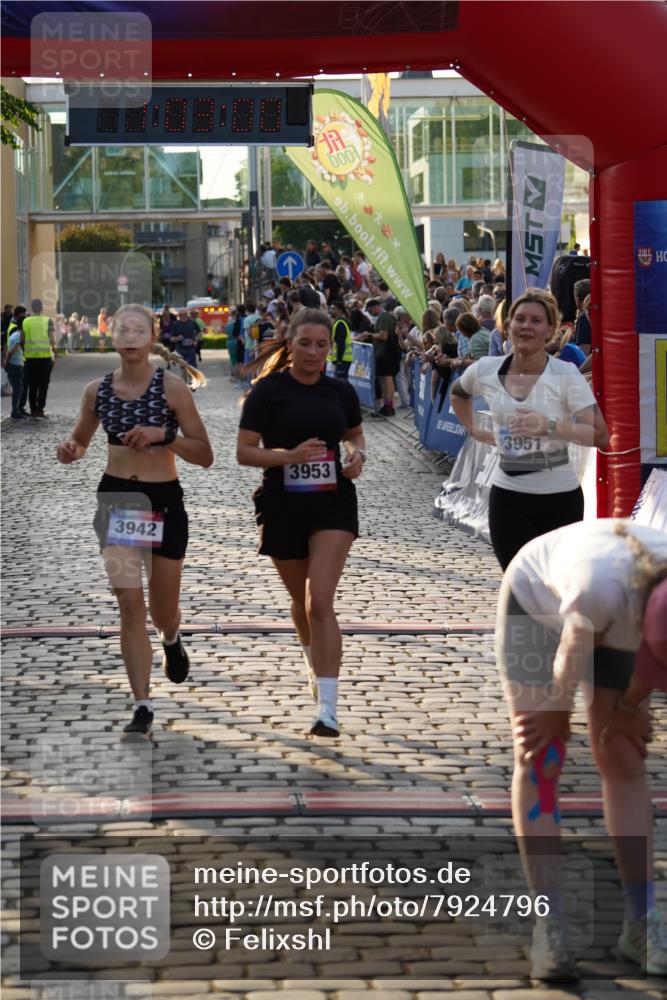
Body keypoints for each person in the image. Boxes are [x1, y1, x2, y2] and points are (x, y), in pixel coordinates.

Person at [497, 520, 667, 979]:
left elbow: (655, 659)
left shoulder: (653, 612)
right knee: (540, 760)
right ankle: (548, 924)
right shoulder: (600, 594)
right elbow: (573, 649)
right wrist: (555, 712)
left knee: (623, 756)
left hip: (622, 615)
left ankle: (641, 921)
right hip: (536, 605)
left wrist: (632, 704)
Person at [55, 304, 213, 739]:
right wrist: (69, 450)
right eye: (122, 329)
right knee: (129, 607)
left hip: (163, 501)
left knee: (162, 611)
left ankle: (171, 636)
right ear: (113, 337)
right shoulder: (97, 391)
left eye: (137, 329)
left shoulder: (172, 389)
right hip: (118, 500)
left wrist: (165, 436)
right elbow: (80, 441)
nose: (129, 336)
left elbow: (205, 454)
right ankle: (142, 704)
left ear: (150, 337)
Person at [236, 308, 366, 738]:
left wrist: (357, 456)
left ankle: (327, 707)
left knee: (319, 601)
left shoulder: (340, 391)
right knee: (301, 602)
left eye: (321, 345)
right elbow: (244, 452)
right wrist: (288, 457)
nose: (313, 353)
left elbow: (354, 434)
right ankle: (315, 664)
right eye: (305, 343)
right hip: (282, 503)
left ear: (331, 347)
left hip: (333, 503)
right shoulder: (267, 392)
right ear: (289, 343)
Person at [450, 288, 609, 569]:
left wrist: (548, 425)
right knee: (519, 586)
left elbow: (600, 435)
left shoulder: (565, 375)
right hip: (508, 497)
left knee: (553, 591)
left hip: (560, 500)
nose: (526, 326)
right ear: (508, 324)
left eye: (536, 320)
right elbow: (458, 392)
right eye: (519, 319)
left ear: (550, 330)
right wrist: (474, 429)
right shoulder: (486, 369)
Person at [21, 299, 56, 418]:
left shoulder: (26, 321)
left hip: (29, 359)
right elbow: (52, 339)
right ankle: (40, 409)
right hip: (44, 358)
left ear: (32, 308)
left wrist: (25, 351)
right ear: (41, 308)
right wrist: (54, 351)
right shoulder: (47, 321)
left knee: (32, 385)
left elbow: (22, 339)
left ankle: (33, 409)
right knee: (43, 385)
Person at [3, 315, 25, 418]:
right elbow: (10, 351)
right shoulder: (18, 336)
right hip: (15, 366)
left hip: (15, 365)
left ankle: (16, 410)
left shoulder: (16, 334)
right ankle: (15, 411)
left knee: (18, 389)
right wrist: (6, 363)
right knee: (17, 390)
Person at [328, 300, 353, 380]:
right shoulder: (337, 323)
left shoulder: (340, 323)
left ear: (340, 310)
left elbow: (341, 342)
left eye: (333, 309)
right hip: (341, 358)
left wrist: (339, 359)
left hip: (342, 359)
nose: (330, 310)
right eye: (330, 308)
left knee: (341, 381)